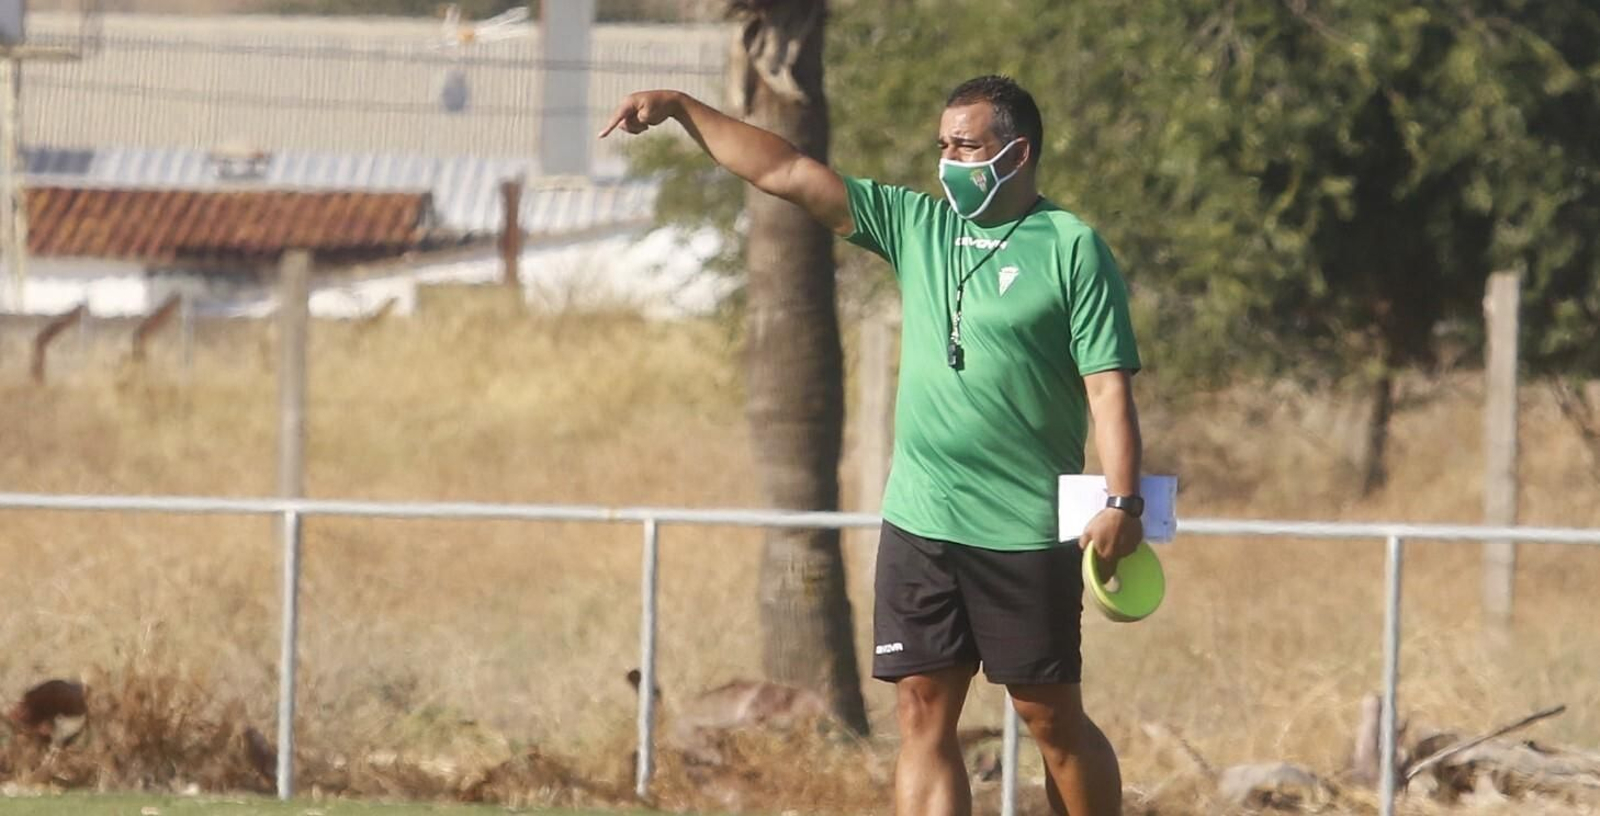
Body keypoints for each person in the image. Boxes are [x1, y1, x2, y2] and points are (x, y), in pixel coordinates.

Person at [601, 74, 1145, 816]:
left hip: (1023, 528)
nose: (947, 160)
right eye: (942, 144)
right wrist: (682, 111)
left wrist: (1122, 499)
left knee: (1048, 718)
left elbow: (1108, 387)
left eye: (966, 145)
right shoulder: (915, 223)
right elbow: (785, 170)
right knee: (921, 710)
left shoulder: (1071, 247)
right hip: (921, 521)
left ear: (1016, 154)